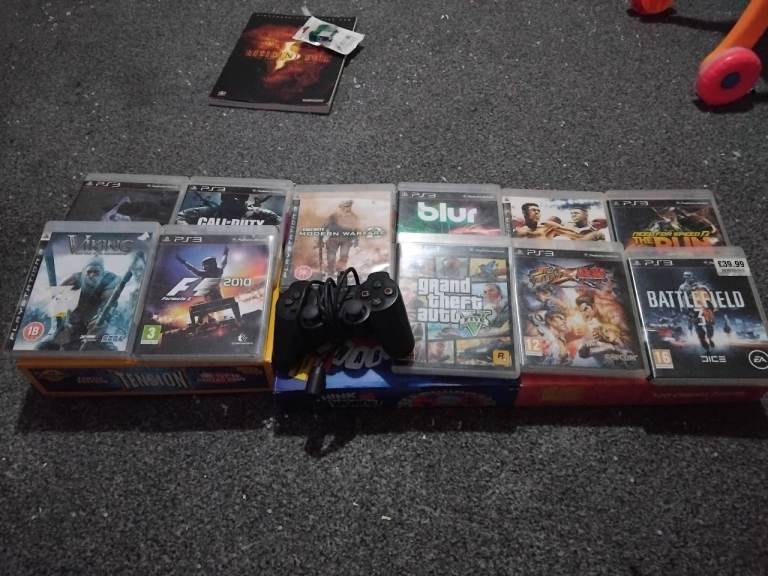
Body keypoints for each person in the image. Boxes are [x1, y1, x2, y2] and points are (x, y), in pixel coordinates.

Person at [39, 256, 120, 351]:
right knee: (42, 348)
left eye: (96, 272)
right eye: (89, 272)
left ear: (102, 273)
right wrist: (59, 327)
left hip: (95, 326)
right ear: (83, 272)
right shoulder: (73, 280)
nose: (92, 275)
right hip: (71, 326)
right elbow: (57, 302)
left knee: (113, 352)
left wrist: (103, 320)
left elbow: (109, 303)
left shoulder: (110, 280)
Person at [322, 200, 360, 275]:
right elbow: (325, 226)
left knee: (344, 256)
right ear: (341, 207)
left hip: (346, 239)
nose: (348, 208)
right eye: (346, 206)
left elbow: (356, 230)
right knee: (331, 255)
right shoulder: (333, 216)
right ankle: (330, 271)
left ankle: (340, 272)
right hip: (333, 238)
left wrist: (356, 241)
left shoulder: (354, 217)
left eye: (349, 206)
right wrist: (321, 238)